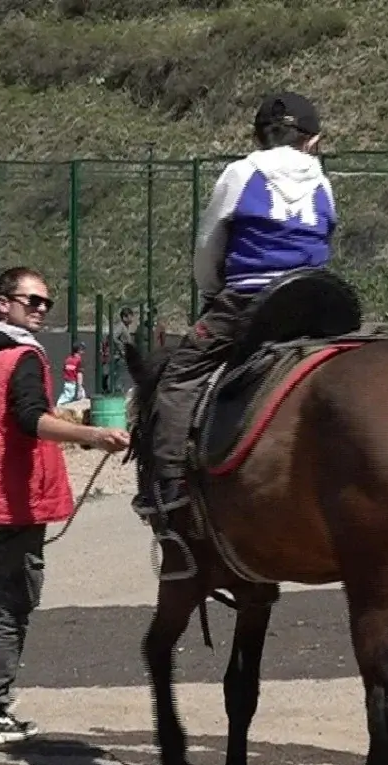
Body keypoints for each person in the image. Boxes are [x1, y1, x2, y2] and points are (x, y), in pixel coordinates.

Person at [0, 266, 131, 749]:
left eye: (45, 303)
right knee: (10, 605)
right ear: (3, 303)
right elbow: (29, 419)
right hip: (9, 498)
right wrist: (93, 435)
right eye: (31, 301)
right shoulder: (20, 357)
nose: (40, 310)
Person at [135, 91, 337, 515]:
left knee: (179, 377)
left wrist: (210, 290)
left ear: (259, 135)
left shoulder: (241, 172)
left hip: (250, 301)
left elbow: (209, 245)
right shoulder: (322, 180)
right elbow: (325, 237)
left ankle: (170, 486)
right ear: (312, 141)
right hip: (317, 299)